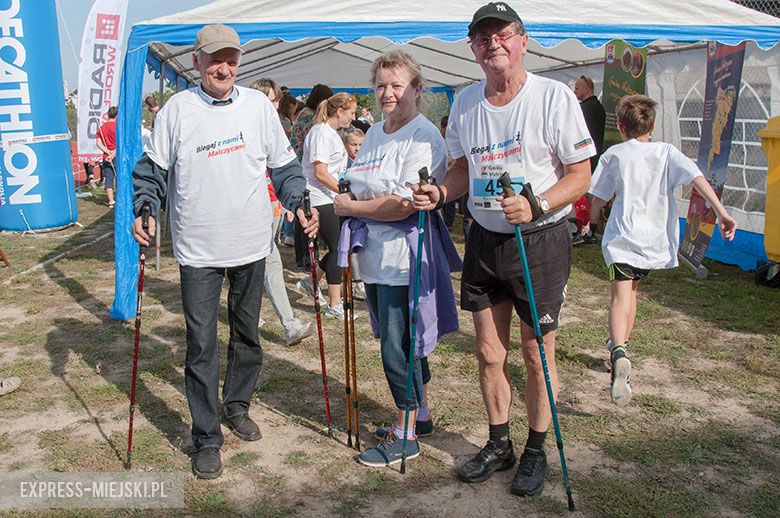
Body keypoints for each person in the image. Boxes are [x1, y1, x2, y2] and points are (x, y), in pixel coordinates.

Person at [413, 2, 595, 497]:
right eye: (481, 38)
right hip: (484, 238)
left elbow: (581, 175)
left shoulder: (554, 97)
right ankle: (500, 443)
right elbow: (461, 170)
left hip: (538, 240)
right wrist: (440, 194)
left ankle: (536, 449)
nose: (492, 44)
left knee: (536, 356)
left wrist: (537, 204)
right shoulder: (468, 102)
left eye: (501, 35)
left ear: (522, 39)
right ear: (472, 48)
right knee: (489, 352)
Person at [131, 24, 319, 480]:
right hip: (198, 250)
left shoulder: (258, 107)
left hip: (252, 244)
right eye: (215, 58)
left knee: (247, 335)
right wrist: (145, 206)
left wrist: (299, 200)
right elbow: (151, 171)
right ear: (196, 62)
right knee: (200, 346)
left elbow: (285, 167)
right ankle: (206, 436)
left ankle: (237, 406)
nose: (224, 67)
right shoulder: (176, 110)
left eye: (231, 58)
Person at [335, 50, 460, 468]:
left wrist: (350, 208)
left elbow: (401, 206)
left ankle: (406, 434)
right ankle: (420, 415)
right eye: (381, 85)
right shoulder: (374, 133)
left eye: (396, 85)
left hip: (406, 258)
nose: (387, 93)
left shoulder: (424, 137)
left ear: (417, 89)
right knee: (400, 338)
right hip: (374, 257)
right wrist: (356, 199)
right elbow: (362, 184)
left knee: (396, 344)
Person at [588, 94, 736, 406]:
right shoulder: (667, 152)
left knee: (619, 297)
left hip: (622, 239)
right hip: (652, 240)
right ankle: (623, 344)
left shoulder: (614, 155)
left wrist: (591, 219)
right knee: (633, 294)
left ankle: (618, 352)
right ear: (651, 126)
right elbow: (698, 178)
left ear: (621, 126)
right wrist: (721, 212)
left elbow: (598, 195)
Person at [248, 78, 313, 346]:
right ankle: (278, 321)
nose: (274, 105)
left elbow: (281, 169)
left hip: (270, 203)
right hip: (249, 208)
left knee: (268, 261)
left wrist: (285, 202)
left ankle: (282, 322)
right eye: (270, 100)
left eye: (276, 100)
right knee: (257, 263)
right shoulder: (247, 125)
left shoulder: (274, 126)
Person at [296, 92, 357, 319]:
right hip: (319, 198)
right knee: (338, 248)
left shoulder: (332, 134)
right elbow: (320, 173)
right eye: (351, 113)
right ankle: (334, 303)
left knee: (340, 247)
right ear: (339, 111)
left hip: (330, 198)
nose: (353, 118)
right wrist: (344, 192)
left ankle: (311, 282)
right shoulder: (321, 132)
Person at [290, 84, 334, 269]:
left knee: (305, 216)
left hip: (302, 162)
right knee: (305, 216)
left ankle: (306, 256)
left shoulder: (306, 114)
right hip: (303, 165)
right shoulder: (310, 117)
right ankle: (306, 257)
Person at [572, 75, 607, 242]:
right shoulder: (599, 107)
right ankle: (592, 231)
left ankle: (575, 229)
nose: (574, 91)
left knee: (574, 193)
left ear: (586, 89)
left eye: (577, 88)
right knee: (593, 196)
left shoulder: (583, 109)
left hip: (583, 157)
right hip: (595, 156)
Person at [96, 106, 118, 207]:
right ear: (117, 115)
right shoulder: (118, 127)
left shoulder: (101, 128)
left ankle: (111, 201)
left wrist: (108, 151)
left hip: (106, 157)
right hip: (117, 156)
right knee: (119, 178)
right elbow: (121, 143)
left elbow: (98, 143)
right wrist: (113, 152)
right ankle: (119, 198)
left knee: (109, 178)